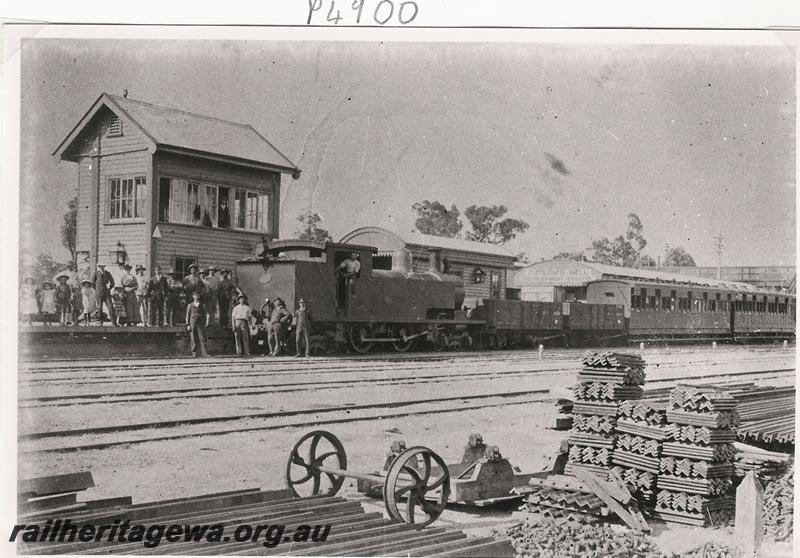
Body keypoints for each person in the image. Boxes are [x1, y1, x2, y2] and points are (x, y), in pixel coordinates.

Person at [185, 291, 208, 357]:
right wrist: (188, 324)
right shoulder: (190, 305)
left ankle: (204, 353)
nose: (196, 297)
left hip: (200, 322)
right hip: (192, 322)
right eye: (195, 295)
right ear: (193, 296)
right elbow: (187, 315)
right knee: (193, 337)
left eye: (198, 295)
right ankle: (194, 353)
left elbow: (205, 314)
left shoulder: (202, 305)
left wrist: (205, 322)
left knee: (202, 337)